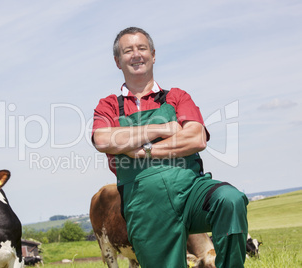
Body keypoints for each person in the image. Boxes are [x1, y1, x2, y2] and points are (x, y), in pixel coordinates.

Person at [91, 27, 249, 268]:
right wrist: (163, 129)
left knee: (230, 200)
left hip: (191, 191)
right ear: (117, 61)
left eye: (142, 48)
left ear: (153, 55)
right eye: (128, 51)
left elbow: (196, 138)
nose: (136, 54)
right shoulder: (109, 106)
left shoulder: (177, 97)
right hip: (145, 206)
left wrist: (142, 150)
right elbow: (103, 140)